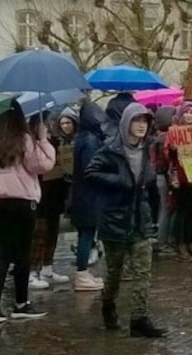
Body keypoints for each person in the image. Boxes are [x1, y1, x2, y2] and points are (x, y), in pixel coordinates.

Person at [85, 103, 167, 338]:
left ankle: (139, 319)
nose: (142, 125)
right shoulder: (110, 149)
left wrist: (153, 216)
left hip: (140, 221)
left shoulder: (146, 150)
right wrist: (119, 180)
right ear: (126, 123)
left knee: (143, 272)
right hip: (115, 220)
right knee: (115, 274)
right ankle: (108, 303)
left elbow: (149, 186)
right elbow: (90, 173)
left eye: (145, 121)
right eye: (137, 120)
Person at [0, 100, 55, 323]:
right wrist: (42, 139)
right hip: (22, 201)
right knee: (22, 255)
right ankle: (21, 303)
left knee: (3, 254)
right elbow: (42, 165)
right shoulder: (23, 139)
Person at [28, 109, 76, 289]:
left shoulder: (55, 141)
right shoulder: (31, 143)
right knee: (38, 233)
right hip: (40, 193)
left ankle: (47, 267)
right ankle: (32, 271)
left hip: (56, 191)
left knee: (52, 230)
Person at [70, 103, 107, 292]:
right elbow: (91, 169)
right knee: (87, 234)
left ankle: (83, 273)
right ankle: (82, 273)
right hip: (88, 196)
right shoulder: (91, 140)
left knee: (86, 234)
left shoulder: (83, 138)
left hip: (82, 195)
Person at [169, 101, 192, 262]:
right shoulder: (175, 131)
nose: (189, 116)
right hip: (182, 178)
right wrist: (173, 149)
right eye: (187, 112)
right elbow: (167, 153)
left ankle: (190, 241)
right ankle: (180, 244)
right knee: (181, 211)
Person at [150, 106, 177, 255]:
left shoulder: (159, 136)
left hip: (162, 176)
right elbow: (166, 159)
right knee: (167, 209)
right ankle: (163, 243)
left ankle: (165, 241)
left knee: (167, 208)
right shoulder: (164, 138)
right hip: (164, 176)